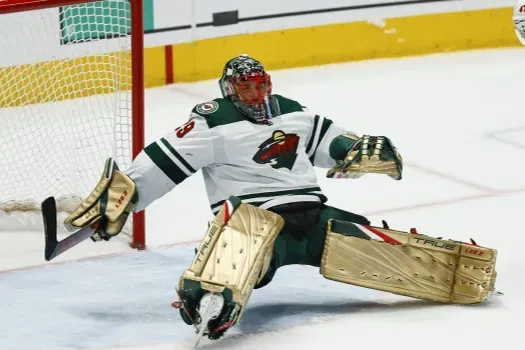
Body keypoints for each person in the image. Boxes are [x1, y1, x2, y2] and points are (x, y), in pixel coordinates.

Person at [64, 54, 499, 343]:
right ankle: (209, 295)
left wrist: (363, 151)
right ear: (229, 90)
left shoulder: (294, 111)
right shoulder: (210, 123)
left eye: (260, 85)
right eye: (246, 88)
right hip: (253, 218)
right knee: (240, 244)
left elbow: (335, 143)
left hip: (313, 218)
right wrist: (125, 196)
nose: (256, 95)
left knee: (370, 240)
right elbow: (161, 163)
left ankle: (453, 270)